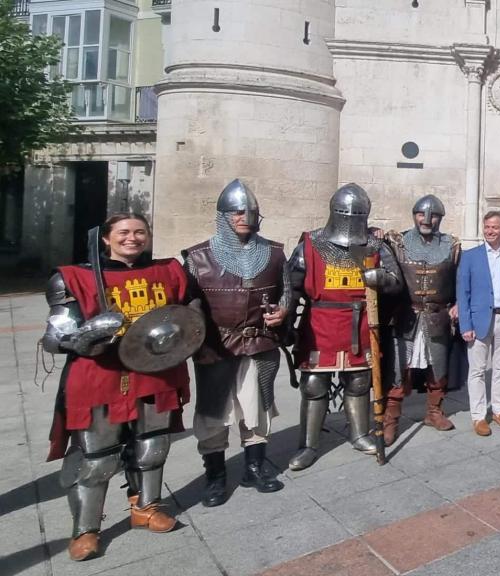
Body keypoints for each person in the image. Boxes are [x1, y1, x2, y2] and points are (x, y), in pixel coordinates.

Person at [41, 213, 191, 561]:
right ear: (106, 238)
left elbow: (189, 311)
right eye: (124, 232)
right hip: (100, 375)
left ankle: (147, 508)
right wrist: (89, 333)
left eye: (140, 232)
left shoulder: (168, 271)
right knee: (97, 459)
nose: (133, 238)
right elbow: (55, 336)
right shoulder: (72, 278)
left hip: (156, 371)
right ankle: (86, 529)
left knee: (153, 446)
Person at [183, 179, 288, 508]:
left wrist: (283, 311)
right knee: (214, 414)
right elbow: (188, 305)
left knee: (256, 411)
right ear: (223, 216)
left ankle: (254, 467)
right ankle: (215, 476)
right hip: (216, 346)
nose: (245, 216)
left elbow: (286, 291)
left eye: (250, 211)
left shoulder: (273, 252)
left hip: (259, 343)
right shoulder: (197, 257)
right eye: (237, 211)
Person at [287, 183, 403, 470]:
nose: (351, 221)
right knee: (314, 385)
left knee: (359, 381)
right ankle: (308, 444)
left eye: (357, 216)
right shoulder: (310, 245)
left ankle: (360, 434)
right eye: (345, 214)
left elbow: (396, 282)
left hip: (360, 322)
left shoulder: (376, 247)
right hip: (320, 325)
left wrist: (380, 277)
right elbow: (290, 287)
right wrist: (286, 324)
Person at [380, 195, 459, 446]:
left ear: (440, 218)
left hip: (438, 316)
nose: (426, 219)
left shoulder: (452, 245)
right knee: (398, 369)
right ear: (413, 215)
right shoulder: (396, 242)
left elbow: (458, 280)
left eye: (433, 215)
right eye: (421, 214)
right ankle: (391, 419)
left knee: (437, 368)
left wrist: (457, 303)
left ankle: (434, 412)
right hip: (405, 316)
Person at [457, 211, 500, 436]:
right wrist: (465, 324)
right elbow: (463, 292)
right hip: (478, 320)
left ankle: (498, 409)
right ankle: (478, 416)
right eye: (486, 227)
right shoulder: (470, 256)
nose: (490, 231)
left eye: (494, 227)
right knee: (477, 370)